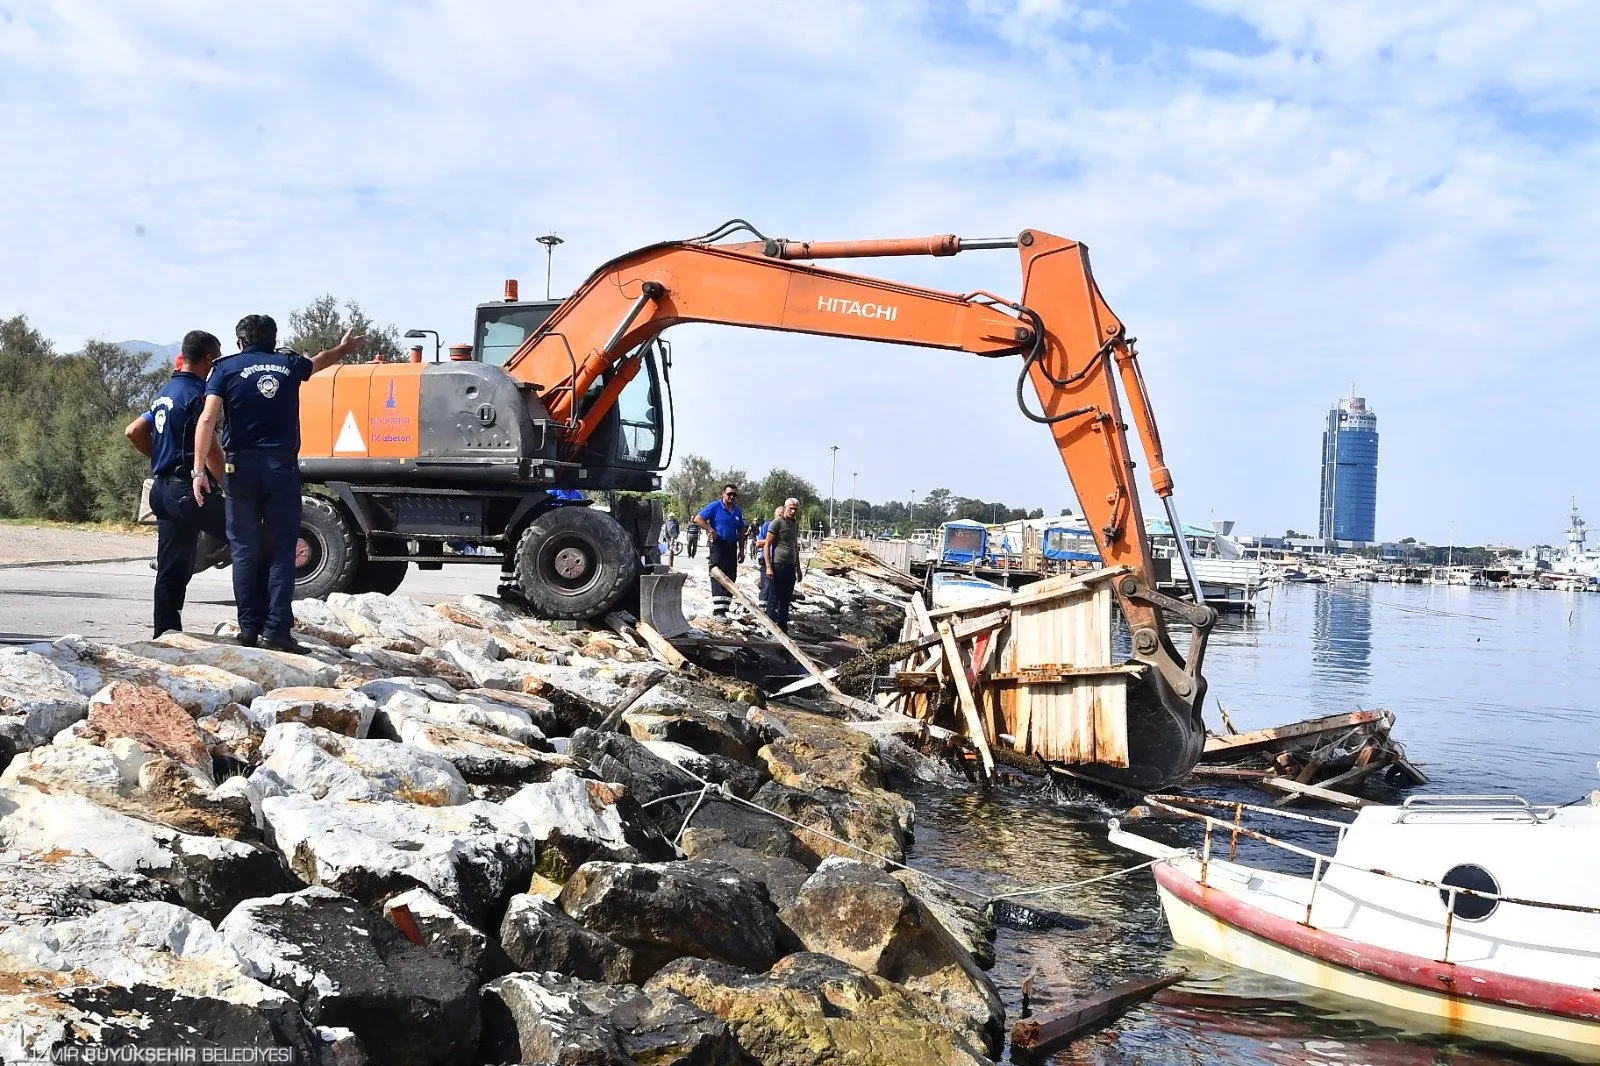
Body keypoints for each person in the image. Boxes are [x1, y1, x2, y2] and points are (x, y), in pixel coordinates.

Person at [193, 315, 362, 652]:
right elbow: (321, 361)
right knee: (282, 551)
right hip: (281, 469)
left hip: (240, 468)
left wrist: (199, 470)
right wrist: (344, 348)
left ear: (240, 342)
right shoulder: (289, 365)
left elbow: (208, 419)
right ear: (273, 339)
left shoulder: (225, 369)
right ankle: (276, 632)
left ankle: (248, 630)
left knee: (244, 551)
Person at [124, 331, 228, 638]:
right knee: (250, 538)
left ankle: (165, 633)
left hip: (162, 490)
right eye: (217, 359)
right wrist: (227, 485)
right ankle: (259, 624)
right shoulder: (200, 395)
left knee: (173, 566)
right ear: (209, 359)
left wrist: (160, 455)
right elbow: (209, 447)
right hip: (188, 489)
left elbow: (133, 430)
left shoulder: (165, 392)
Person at [693, 483, 745, 618]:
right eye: (729, 494)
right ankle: (718, 611)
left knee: (731, 575)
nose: (731, 497)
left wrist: (742, 550)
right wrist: (710, 530)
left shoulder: (737, 511)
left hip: (732, 546)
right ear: (723, 494)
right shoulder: (715, 506)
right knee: (717, 574)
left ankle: (725, 609)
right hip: (718, 545)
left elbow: (740, 530)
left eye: (734, 495)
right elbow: (698, 518)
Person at [764, 497, 803, 632]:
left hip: (790, 566)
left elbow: (795, 547)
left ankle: (782, 626)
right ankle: (771, 626)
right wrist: (768, 566)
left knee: (786, 599)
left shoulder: (794, 525)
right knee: (774, 597)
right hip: (777, 565)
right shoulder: (777, 523)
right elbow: (767, 544)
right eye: (790, 508)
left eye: (795, 509)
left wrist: (798, 568)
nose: (792, 511)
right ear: (785, 507)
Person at [755, 505, 781, 605]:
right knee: (766, 585)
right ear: (774, 515)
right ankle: (762, 608)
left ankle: (774, 609)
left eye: (781, 515)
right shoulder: (767, 526)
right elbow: (758, 543)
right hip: (766, 559)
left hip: (779, 561)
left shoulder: (787, 527)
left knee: (777, 587)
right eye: (778, 515)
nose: (780, 518)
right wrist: (770, 540)